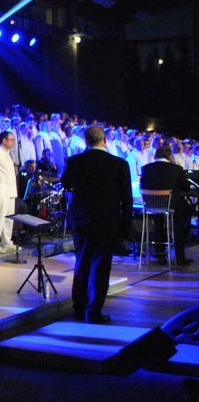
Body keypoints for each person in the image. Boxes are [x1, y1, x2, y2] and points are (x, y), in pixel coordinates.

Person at [61, 125, 133, 323]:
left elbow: (65, 183)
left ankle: (79, 307)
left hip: (82, 219)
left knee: (82, 263)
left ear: (86, 141)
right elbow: (127, 199)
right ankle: (94, 311)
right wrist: (125, 229)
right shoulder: (119, 164)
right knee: (101, 266)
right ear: (104, 140)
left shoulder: (75, 161)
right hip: (107, 221)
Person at [140, 144, 192, 265]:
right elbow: (185, 187)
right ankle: (180, 256)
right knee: (184, 213)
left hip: (152, 205)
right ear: (169, 156)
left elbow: (142, 186)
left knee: (158, 223)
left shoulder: (145, 168)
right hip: (172, 206)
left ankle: (160, 255)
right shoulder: (177, 169)